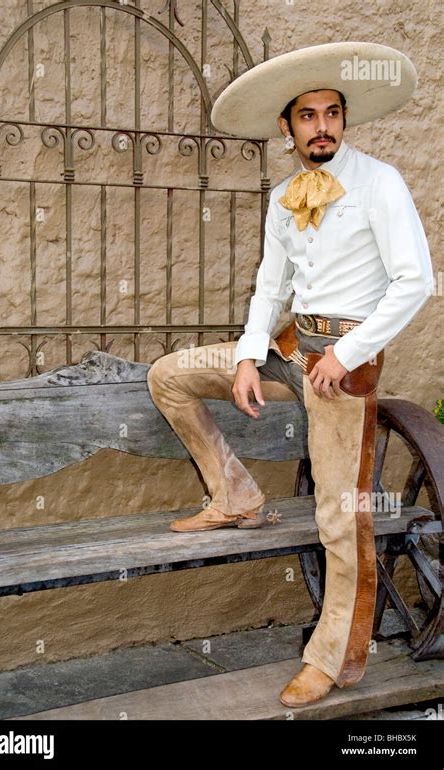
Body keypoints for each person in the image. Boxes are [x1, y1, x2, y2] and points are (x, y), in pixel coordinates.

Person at [147, 42, 434, 708]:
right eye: (308, 115)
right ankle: (235, 493)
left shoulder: (381, 182)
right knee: (171, 376)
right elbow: (270, 286)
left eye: (332, 113)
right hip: (288, 348)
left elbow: (414, 281)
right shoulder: (282, 197)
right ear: (288, 127)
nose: (322, 126)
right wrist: (248, 355)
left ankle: (332, 659)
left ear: (344, 119)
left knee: (341, 519)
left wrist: (349, 352)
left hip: (343, 366)